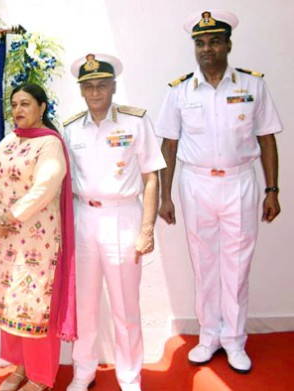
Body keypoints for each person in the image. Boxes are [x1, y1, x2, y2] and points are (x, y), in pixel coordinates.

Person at [156, 10, 283, 374]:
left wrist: (271, 189)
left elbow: (267, 138)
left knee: (237, 265)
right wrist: (166, 195)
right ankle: (209, 336)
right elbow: (169, 146)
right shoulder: (179, 90)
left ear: (228, 44)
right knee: (204, 262)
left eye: (214, 41)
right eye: (200, 42)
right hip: (196, 185)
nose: (206, 48)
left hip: (240, 182)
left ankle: (234, 340)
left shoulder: (252, 85)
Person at [63, 54, 165, 391]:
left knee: (125, 307)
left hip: (123, 218)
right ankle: (83, 372)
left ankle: (130, 378)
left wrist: (147, 229)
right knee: (85, 305)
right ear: (81, 91)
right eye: (88, 86)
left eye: (101, 85)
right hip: (84, 219)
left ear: (113, 87)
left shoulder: (135, 122)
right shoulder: (70, 127)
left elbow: (152, 177)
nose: (95, 92)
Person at [0, 83, 76, 391]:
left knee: (35, 306)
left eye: (25, 104)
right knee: (12, 303)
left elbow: (45, 186)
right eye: (14, 105)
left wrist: (8, 216)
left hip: (38, 239)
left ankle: (41, 377)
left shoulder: (49, 144)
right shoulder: (8, 141)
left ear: (42, 107)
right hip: (6, 239)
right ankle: (22, 367)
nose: (18, 110)